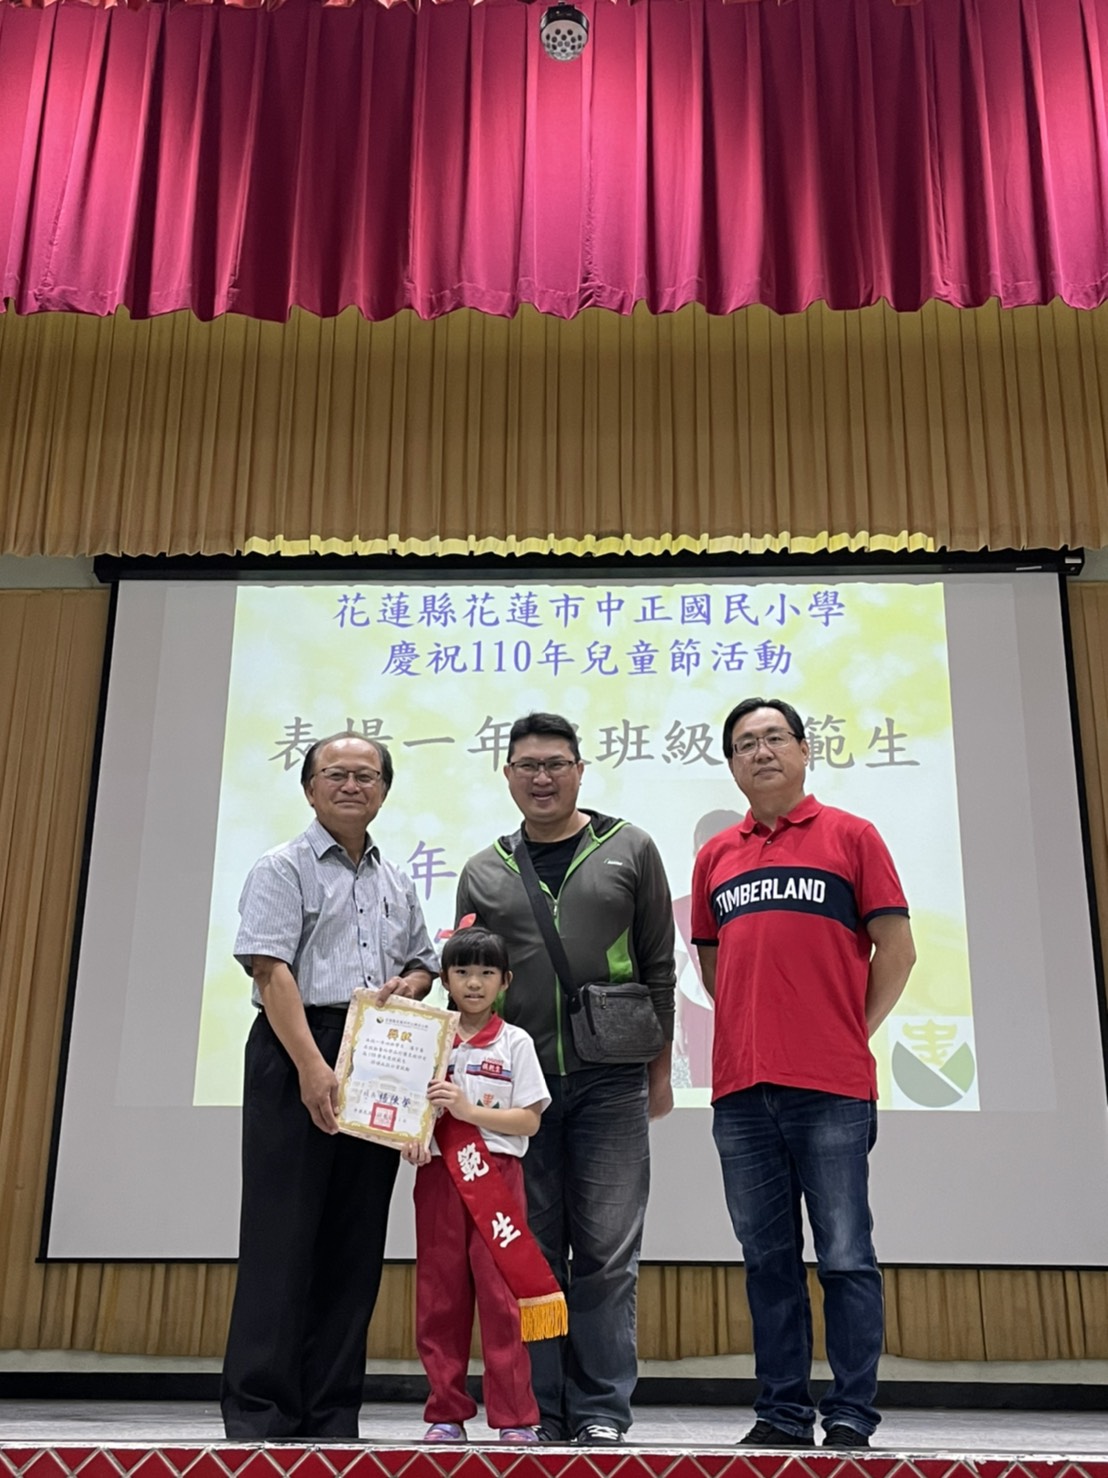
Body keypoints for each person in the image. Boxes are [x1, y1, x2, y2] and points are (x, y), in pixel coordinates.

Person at [692, 697, 916, 1452]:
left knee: (846, 1255)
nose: (760, 752)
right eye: (744, 743)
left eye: (774, 738)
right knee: (768, 1262)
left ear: (803, 749)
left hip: (832, 1088)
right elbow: (713, 965)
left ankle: (851, 1413)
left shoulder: (853, 836)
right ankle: (781, 1413)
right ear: (731, 763)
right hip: (741, 1092)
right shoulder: (716, 855)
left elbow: (898, 951)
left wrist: (849, 1029)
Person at [455, 711, 676, 1446]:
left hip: (612, 1081)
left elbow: (660, 968)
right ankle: (539, 1411)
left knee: (608, 1253)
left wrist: (659, 1073)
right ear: (508, 775)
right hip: (516, 1091)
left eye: (556, 764)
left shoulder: (631, 848)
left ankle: (603, 1411)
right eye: (528, 766)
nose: (542, 777)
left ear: (580, 770)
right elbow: (466, 983)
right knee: (531, 1250)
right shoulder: (484, 869)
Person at [221, 733, 439, 1440]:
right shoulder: (282, 867)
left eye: (366, 776)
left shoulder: (395, 880)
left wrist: (412, 984)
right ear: (310, 788)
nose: (352, 785)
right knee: (282, 1235)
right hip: (298, 1048)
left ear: (384, 791)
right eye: (336, 774)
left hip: (376, 1053)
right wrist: (314, 1068)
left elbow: (423, 962)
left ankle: (331, 1411)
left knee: (355, 1239)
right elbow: (269, 970)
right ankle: (262, 1410)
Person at [402, 926, 551, 1445]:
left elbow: (529, 1120)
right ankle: (445, 1412)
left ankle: (515, 1418)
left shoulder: (515, 1042)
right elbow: (406, 1106)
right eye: (462, 971)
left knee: (501, 1300)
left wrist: (468, 1112)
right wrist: (412, 1137)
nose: (473, 983)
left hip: (497, 1180)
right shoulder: (428, 1038)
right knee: (439, 1297)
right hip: (438, 1176)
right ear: (444, 979)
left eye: (486, 972)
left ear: (505, 981)